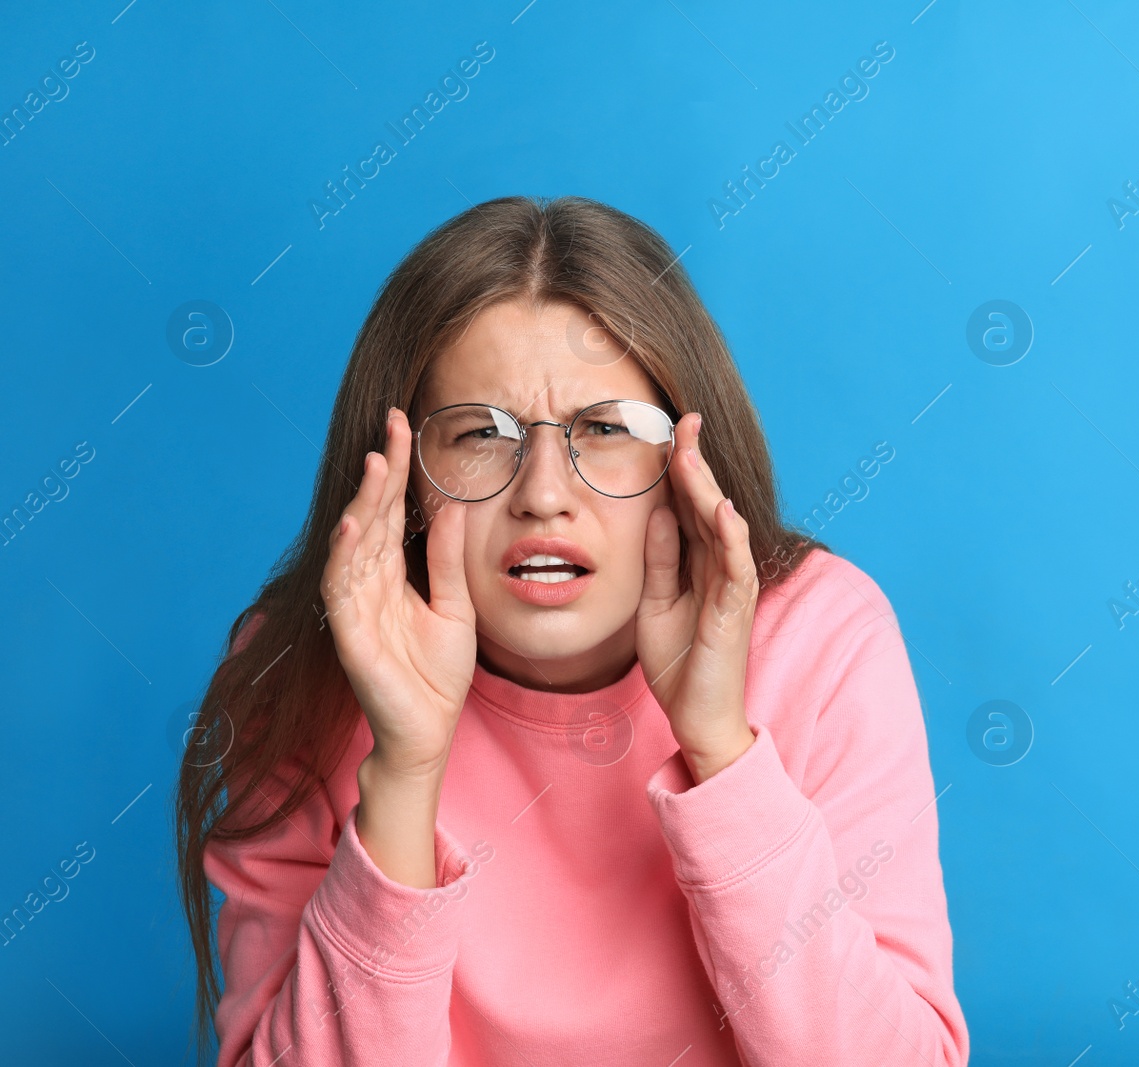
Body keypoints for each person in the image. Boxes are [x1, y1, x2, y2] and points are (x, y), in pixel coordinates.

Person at [174, 195, 968, 1066]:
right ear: (404, 480)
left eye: (607, 429)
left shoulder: (822, 635)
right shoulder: (305, 668)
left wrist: (722, 752)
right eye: (481, 432)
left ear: (685, 465)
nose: (544, 492)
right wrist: (403, 770)